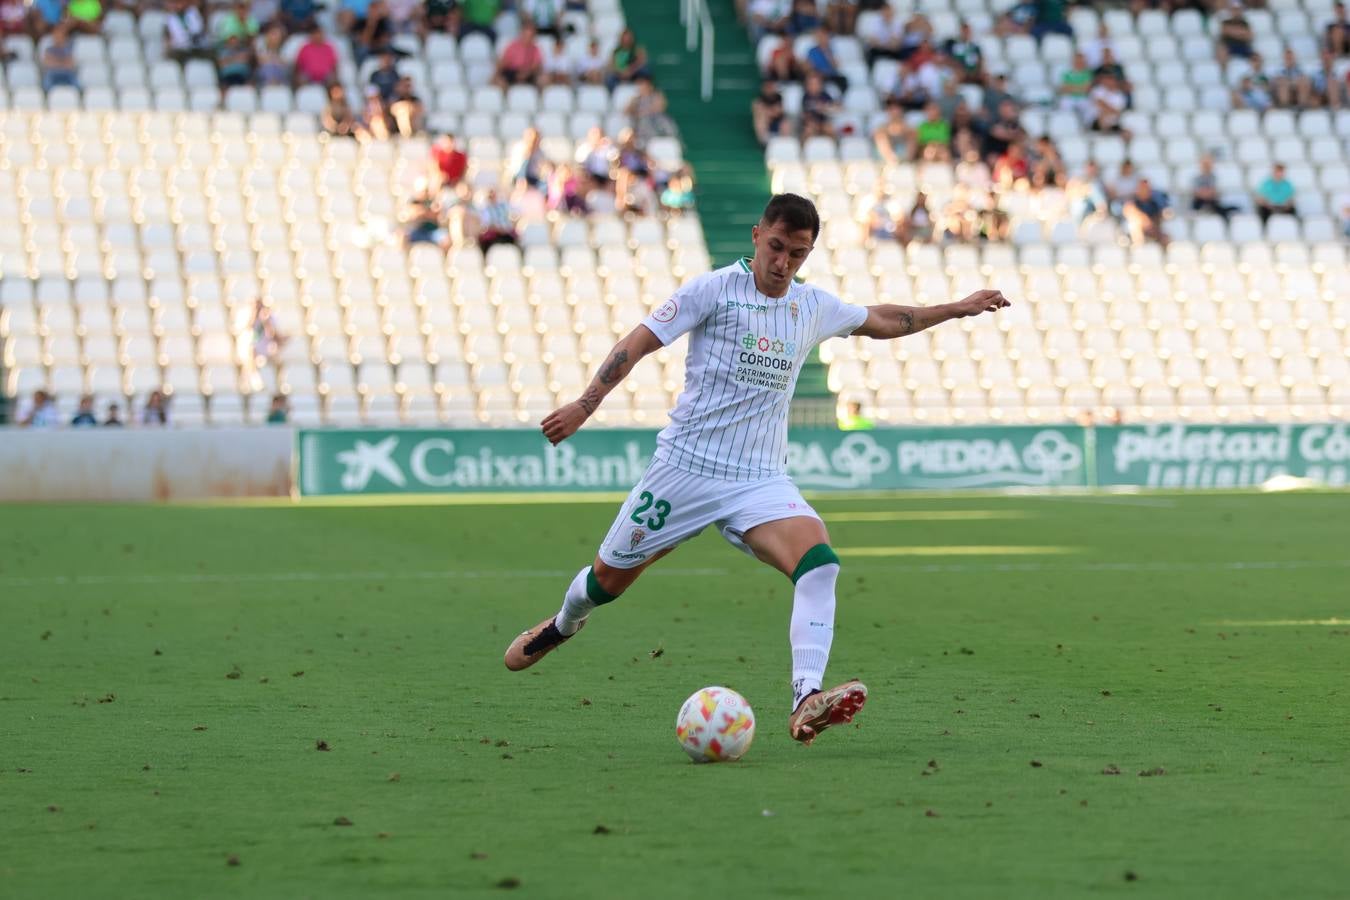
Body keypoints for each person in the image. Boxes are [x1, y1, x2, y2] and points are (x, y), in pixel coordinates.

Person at [502, 194, 1010, 745]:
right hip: (685, 470)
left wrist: (956, 308)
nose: (784, 263)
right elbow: (639, 342)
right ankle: (563, 623)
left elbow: (884, 318)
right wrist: (585, 404)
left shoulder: (811, 305)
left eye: (798, 253)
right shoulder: (711, 290)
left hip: (760, 479)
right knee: (605, 582)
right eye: (776, 247)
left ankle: (806, 697)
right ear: (755, 235)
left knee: (820, 564)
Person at [494, 21, 544, 86]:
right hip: (512, 73)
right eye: (526, 35)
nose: (527, 38)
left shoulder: (536, 49)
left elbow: (536, 65)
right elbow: (505, 62)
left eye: (530, 36)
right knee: (500, 81)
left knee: (543, 80)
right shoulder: (512, 46)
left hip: (529, 73)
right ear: (522, 34)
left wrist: (526, 73)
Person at [1122, 178, 1169, 246]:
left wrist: (1151, 224)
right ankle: (1139, 247)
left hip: (1153, 229)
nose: (1144, 190)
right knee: (1134, 224)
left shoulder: (1155, 202)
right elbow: (1128, 210)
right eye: (1142, 188)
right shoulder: (1133, 202)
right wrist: (1144, 219)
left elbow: (1162, 214)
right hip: (1137, 231)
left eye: (1146, 188)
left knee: (1166, 239)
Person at [1191, 154, 1234, 219]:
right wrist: (1206, 193)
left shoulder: (1215, 177)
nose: (1207, 166)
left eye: (1208, 164)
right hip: (1200, 202)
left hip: (1212, 201)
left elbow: (1214, 192)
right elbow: (1197, 192)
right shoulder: (1196, 178)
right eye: (1205, 164)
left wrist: (1206, 193)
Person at [41, 25, 79, 92]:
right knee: (47, 79)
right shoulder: (49, 50)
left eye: (60, 36)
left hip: (66, 73)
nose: (58, 38)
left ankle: (79, 94)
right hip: (53, 73)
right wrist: (63, 62)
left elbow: (71, 65)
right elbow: (47, 64)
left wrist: (55, 61)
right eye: (56, 36)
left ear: (64, 38)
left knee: (75, 80)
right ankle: (46, 95)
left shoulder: (68, 50)